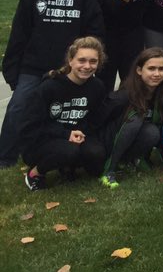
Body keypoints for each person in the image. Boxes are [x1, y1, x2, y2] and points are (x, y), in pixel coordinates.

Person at [1, 0, 104, 168]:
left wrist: (85, 63)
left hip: (70, 70)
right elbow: (19, 32)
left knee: (68, 111)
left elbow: (94, 30)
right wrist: (11, 69)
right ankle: (6, 157)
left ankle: (69, 147)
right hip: (34, 66)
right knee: (18, 107)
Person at [21, 37, 107, 190]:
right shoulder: (50, 87)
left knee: (96, 155)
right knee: (69, 150)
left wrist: (83, 132)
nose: (87, 66)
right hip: (43, 140)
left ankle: (67, 167)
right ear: (70, 60)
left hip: (78, 136)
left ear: (99, 63)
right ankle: (35, 173)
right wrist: (65, 134)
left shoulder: (97, 87)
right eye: (81, 60)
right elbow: (32, 124)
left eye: (93, 61)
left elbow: (95, 118)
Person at [98, 47, 163, 188]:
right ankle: (109, 169)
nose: (157, 74)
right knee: (135, 118)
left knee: (152, 131)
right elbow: (99, 120)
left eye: (161, 69)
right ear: (139, 70)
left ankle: (130, 160)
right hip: (109, 140)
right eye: (151, 68)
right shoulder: (123, 96)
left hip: (132, 138)